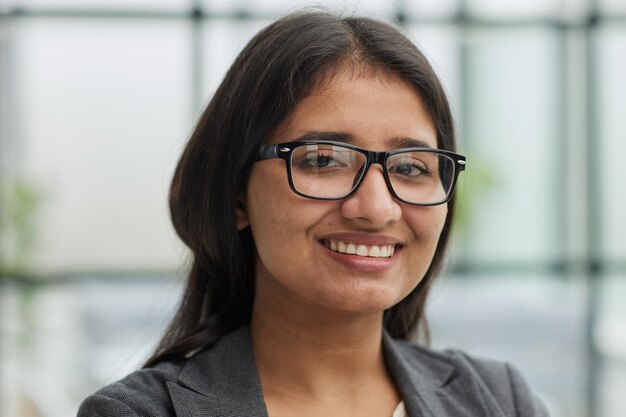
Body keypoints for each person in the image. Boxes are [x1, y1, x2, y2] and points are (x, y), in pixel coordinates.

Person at [77, 10, 549, 417]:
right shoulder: (141, 413)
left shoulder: (499, 399)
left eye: (410, 168)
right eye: (323, 160)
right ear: (237, 194)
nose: (376, 209)